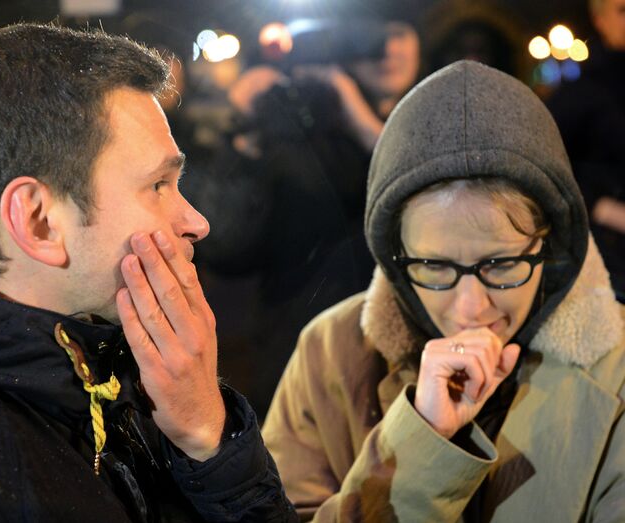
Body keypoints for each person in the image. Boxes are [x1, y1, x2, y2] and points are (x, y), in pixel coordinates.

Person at [0, 23, 296, 522]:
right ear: (39, 221)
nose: (196, 222)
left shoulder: (106, 364)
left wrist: (206, 439)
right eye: (158, 185)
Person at [262, 60, 625, 521]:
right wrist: (420, 445)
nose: (471, 307)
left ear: (550, 242)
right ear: (395, 254)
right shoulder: (330, 352)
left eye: (501, 263)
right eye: (434, 266)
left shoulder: (617, 369)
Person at [190, 13, 422, 418]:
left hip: (406, 355)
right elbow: (225, 247)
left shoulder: (428, 117)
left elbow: (426, 198)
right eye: (372, 37)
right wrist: (244, 135)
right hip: (294, 358)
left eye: (399, 32)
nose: (388, 51)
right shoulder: (294, 132)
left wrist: (361, 121)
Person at [546, 0, 625, 299]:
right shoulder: (581, 95)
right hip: (610, 264)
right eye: (623, 11)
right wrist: (603, 208)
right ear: (600, 20)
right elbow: (551, 168)